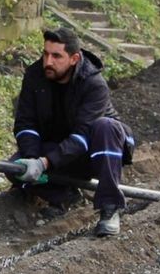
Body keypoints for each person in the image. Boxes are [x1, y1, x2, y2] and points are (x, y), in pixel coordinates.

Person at [11, 27, 134, 236]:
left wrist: (44, 163)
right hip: (63, 148)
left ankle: (110, 208)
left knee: (105, 126)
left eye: (56, 56)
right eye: (45, 54)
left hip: (98, 150)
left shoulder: (94, 84)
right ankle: (64, 195)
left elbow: (83, 136)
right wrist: (32, 158)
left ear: (74, 58)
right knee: (15, 168)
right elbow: (25, 123)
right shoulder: (35, 76)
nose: (48, 62)